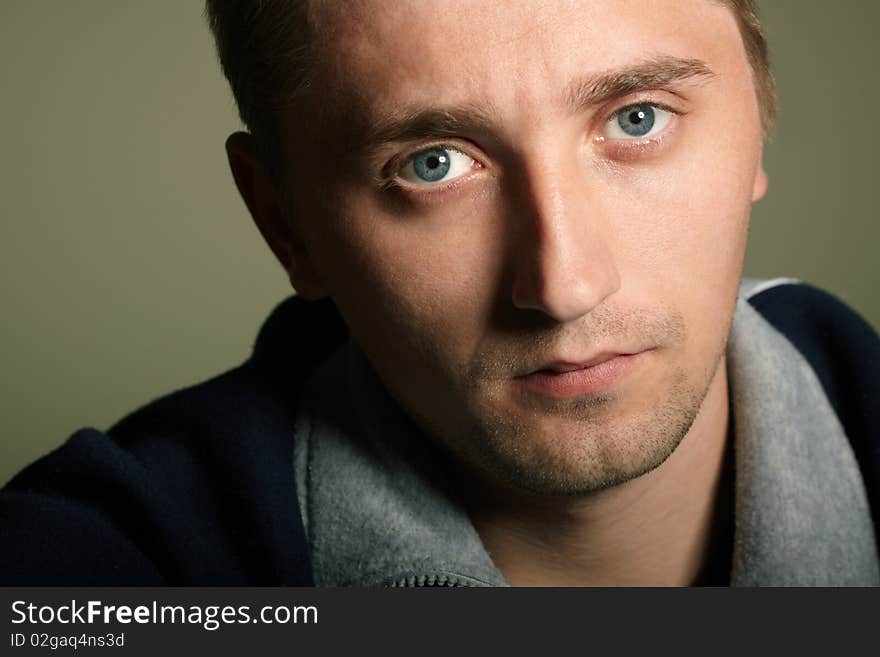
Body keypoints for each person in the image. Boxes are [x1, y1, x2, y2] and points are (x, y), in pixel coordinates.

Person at [2, 0, 878, 586]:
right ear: (285, 224)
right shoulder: (102, 566)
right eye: (434, 165)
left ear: (761, 115)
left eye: (636, 117)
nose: (565, 286)